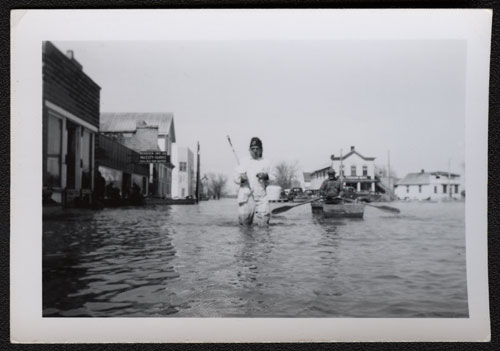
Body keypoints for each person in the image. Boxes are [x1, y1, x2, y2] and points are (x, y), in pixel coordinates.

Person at [234, 137, 272, 226]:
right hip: (246, 198)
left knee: (264, 226)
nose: (255, 151)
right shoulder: (242, 161)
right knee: (244, 229)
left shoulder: (267, 162)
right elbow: (235, 178)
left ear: (261, 149)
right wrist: (242, 179)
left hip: (261, 198)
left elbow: (274, 177)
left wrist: (266, 176)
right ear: (249, 150)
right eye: (253, 149)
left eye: (257, 148)